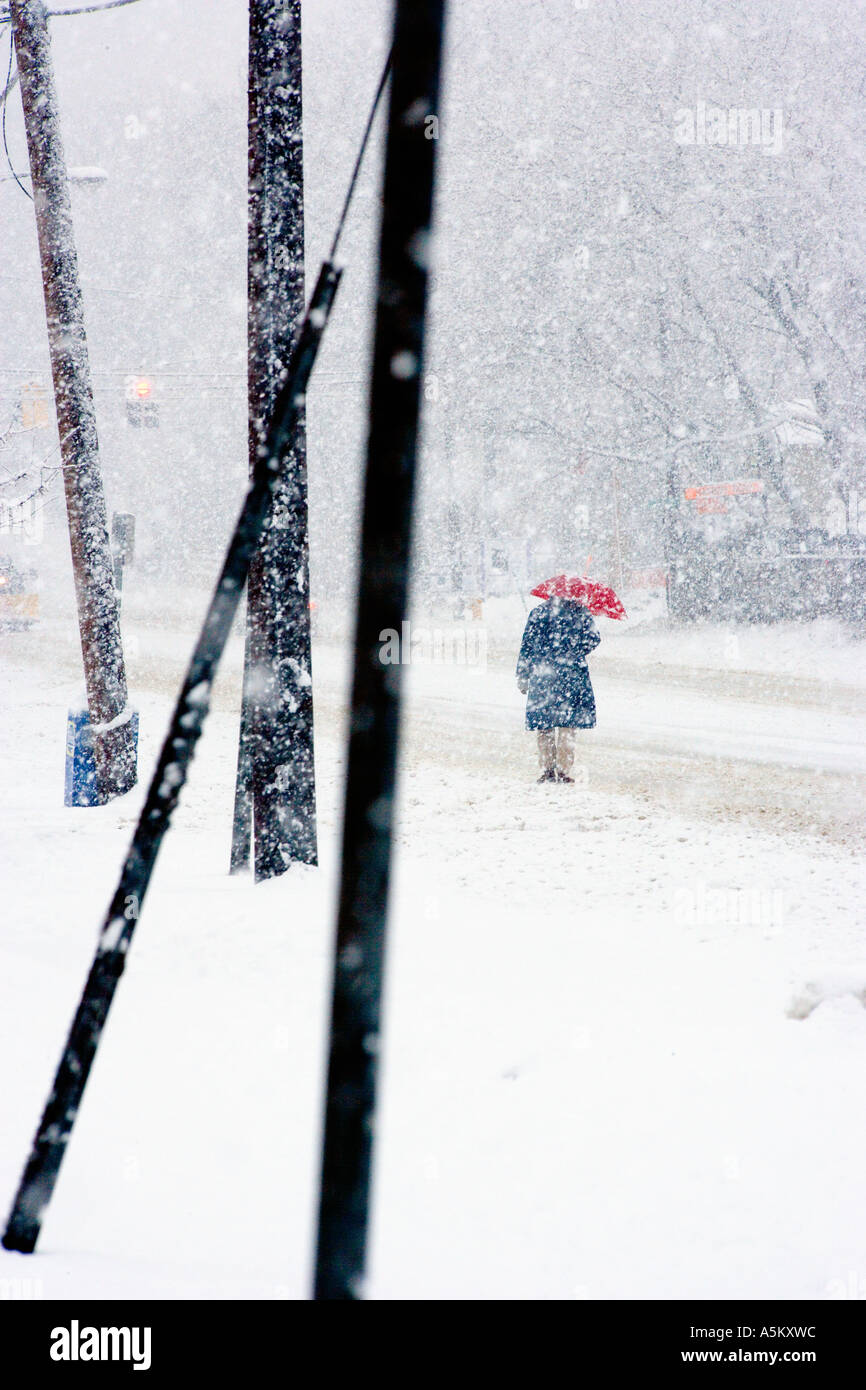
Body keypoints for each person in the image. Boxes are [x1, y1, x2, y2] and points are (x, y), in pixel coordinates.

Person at [516, 596, 601, 783]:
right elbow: (594, 639)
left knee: (544, 725)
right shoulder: (580, 612)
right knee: (567, 726)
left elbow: (527, 647)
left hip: (543, 676)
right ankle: (563, 770)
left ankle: (547, 770)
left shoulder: (538, 613)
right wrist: (576, 649)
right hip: (571, 675)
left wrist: (523, 675)